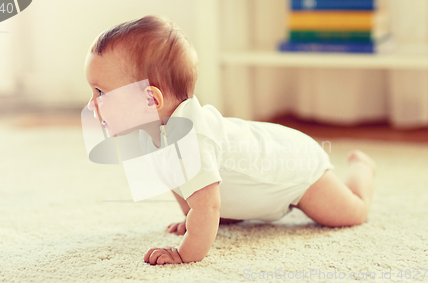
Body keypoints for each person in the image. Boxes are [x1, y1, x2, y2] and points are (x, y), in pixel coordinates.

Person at [84, 15, 376, 266]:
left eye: (101, 92)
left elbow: (208, 206)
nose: (93, 104)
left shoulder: (191, 141)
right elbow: (179, 183)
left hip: (295, 168)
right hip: (259, 181)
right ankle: (234, 212)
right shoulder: (150, 134)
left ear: (151, 100)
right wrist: (191, 218)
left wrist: (184, 252)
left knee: (351, 213)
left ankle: (362, 168)